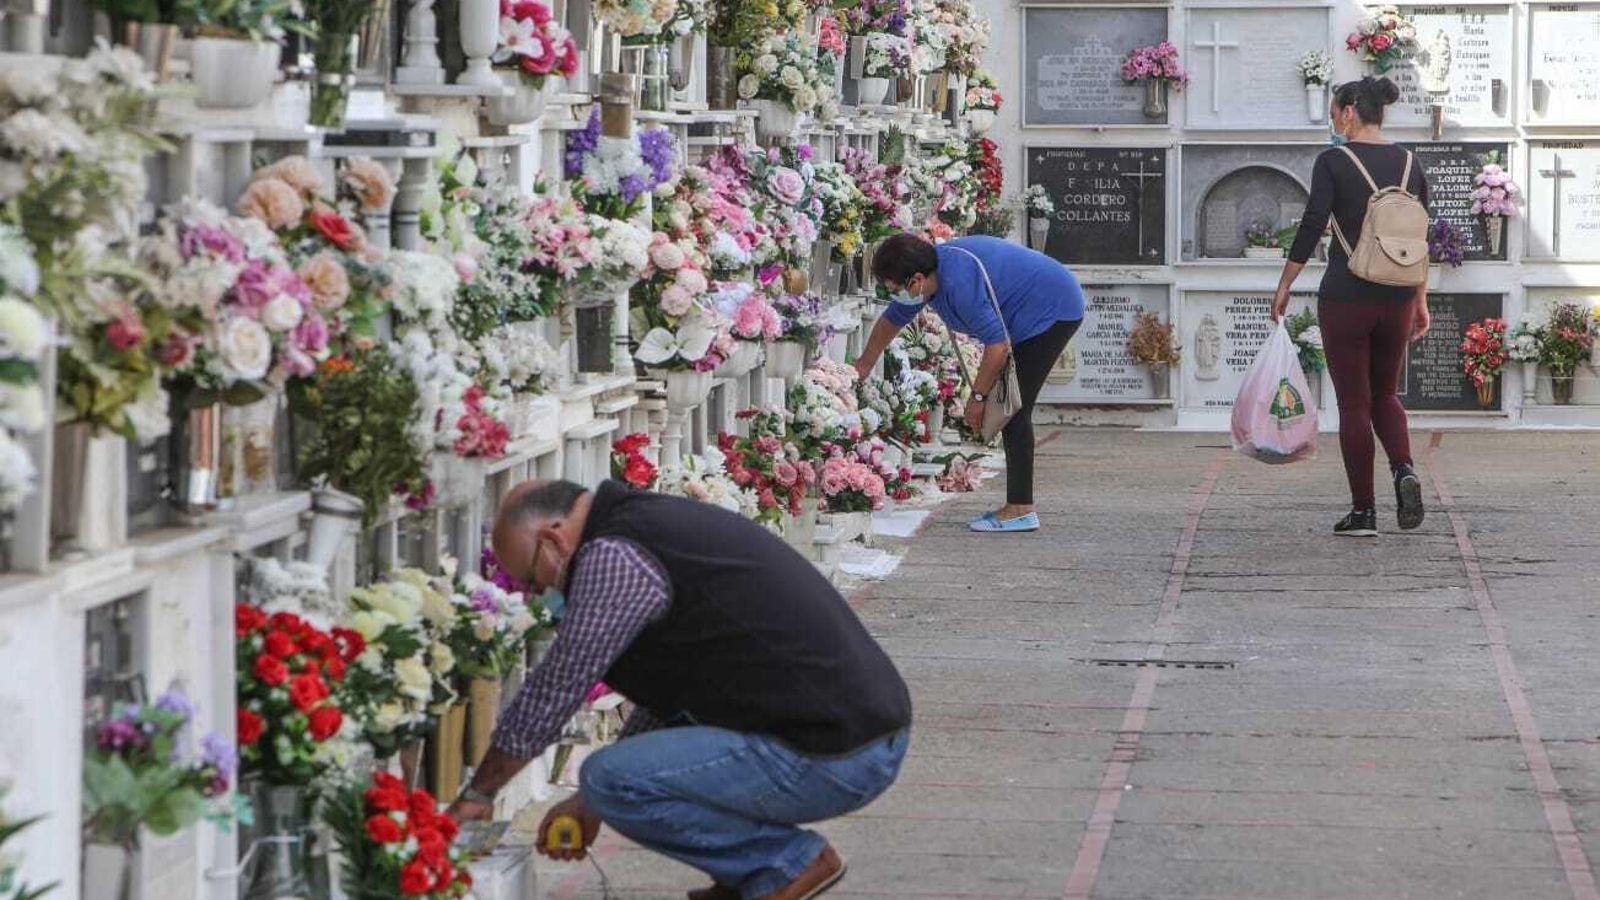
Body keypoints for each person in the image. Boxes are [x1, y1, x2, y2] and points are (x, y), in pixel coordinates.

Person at [446, 479, 912, 900]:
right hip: (857, 734)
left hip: (837, 753)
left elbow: (556, 688)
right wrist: (589, 805)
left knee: (610, 776)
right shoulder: (643, 524)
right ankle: (748, 880)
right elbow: (673, 700)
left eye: (530, 577)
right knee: (609, 783)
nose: (535, 593)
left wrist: (480, 793)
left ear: (552, 538)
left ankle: (785, 864)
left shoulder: (615, 554)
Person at [1271, 76, 1430, 537]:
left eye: (1333, 110)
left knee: (1354, 402)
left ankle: (1364, 511)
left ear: (1347, 112)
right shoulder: (1409, 163)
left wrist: (1285, 284)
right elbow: (1419, 238)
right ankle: (1404, 470)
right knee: (1386, 394)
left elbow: (1313, 223)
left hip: (1347, 295)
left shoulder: (1333, 161)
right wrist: (1420, 298)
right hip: (1398, 295)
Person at [854, 233, 1085, 533]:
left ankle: (1020, 509)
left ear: (917, 281)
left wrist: (976, 399)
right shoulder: (926, 280)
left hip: (1052, 309)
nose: (894, 295)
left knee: (1013, 409)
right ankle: (1019, 506)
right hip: (1036, 304)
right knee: (1008, 406)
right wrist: (863, 366)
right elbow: (891, 320)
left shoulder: (959, 284)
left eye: (895, 289)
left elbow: (997, 347)